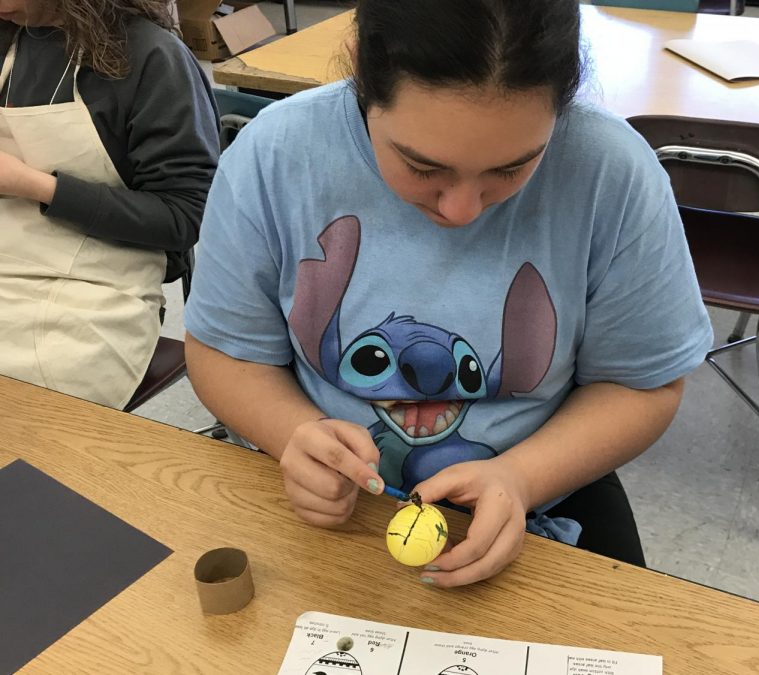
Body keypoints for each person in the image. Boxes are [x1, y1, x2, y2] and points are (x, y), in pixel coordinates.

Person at [184, 0, 713, 587]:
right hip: (321, 497)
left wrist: (520, 478)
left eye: (511, 170)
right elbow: (224, 350)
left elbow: (643, 383)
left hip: (543, 482)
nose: (460, 211)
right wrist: (292, 434)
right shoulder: (276, 157)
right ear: (361, 71)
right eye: (421, 167)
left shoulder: (612, 173)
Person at [0, 0, 218, 409]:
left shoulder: (151, 57)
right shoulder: (11, 34)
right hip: (9, 257)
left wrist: (37, 186)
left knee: (30, 405)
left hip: (98, 290)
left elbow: (183, 216)